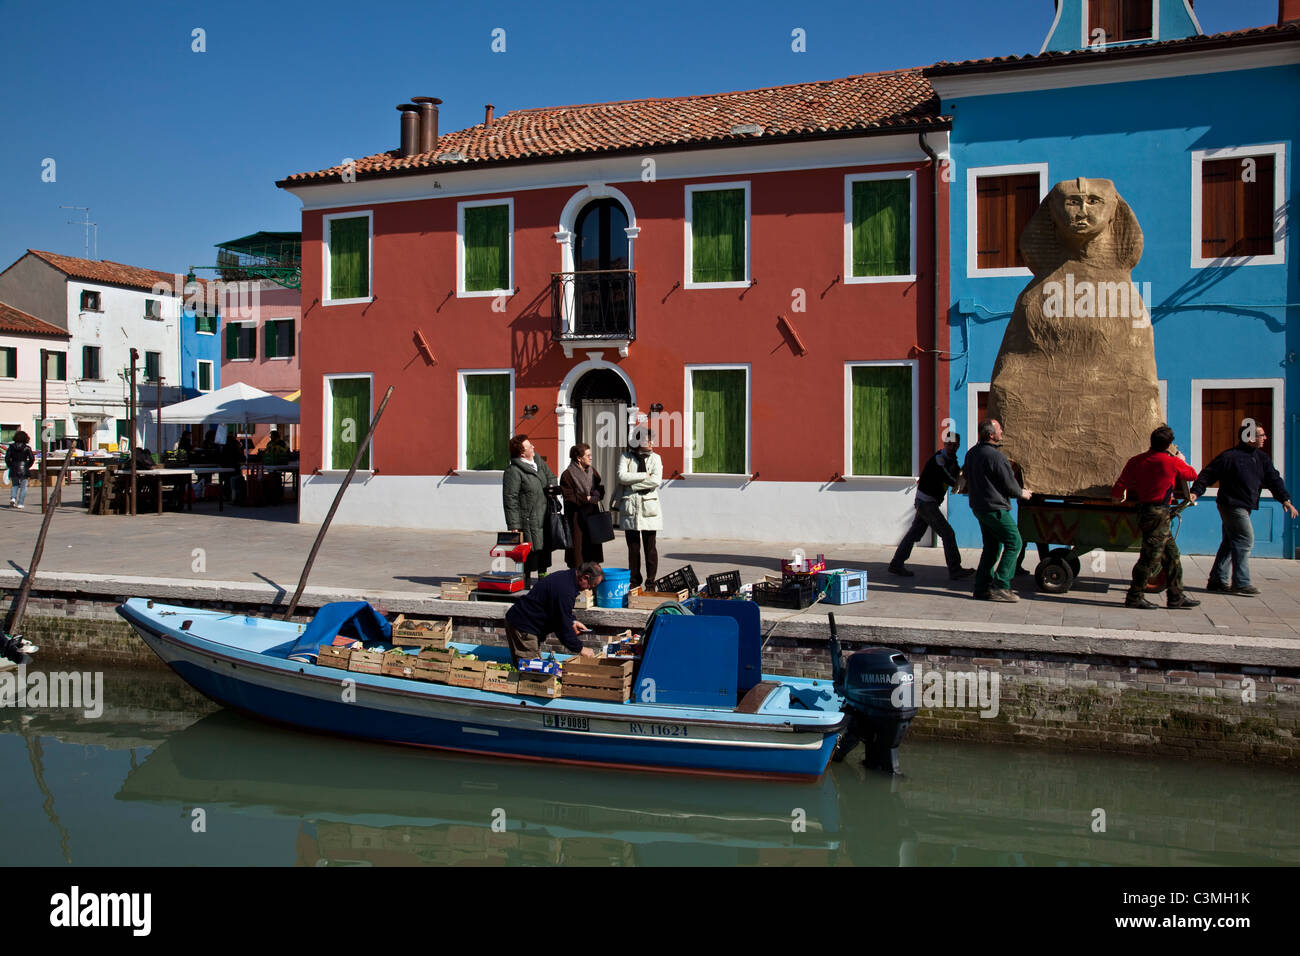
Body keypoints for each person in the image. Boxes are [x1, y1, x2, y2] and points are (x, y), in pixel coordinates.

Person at [1190, 424, 1297, 596]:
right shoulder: (1229, 457)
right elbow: (1208, 474)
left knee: (1230, 542)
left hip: (1245, 506)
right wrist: (1196, 492)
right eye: (1262, 435)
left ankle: (1217, 580)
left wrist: (1285, 499)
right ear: (1250, 438)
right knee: (1245, 539)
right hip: (1231, 505)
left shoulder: (1262, 459)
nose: (1265, 438)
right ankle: (1241, 582)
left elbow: (1273, 480)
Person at [1111, 425, 1201, 610]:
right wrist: (1180, 459)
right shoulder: (1170, 462)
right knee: (1149, 557)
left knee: (1172, 555)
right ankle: (1134, 596)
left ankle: (1176, 596)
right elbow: (1192, 474)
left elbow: (1121, 483)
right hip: (1159, 513)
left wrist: (1117, 496)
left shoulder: (1137, 460)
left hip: (1145, 510)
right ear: (1168, 445)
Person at [964, 419, 1032, 602]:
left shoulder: (971, 453)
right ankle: (1001, 585)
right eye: (999, 429)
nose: (1002, 431)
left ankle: (981, 588)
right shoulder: (997, 457)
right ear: (991, 435)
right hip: (995, 509)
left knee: (992, 547)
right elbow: (1009, 485)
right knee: (1014, 542)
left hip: (979, 508)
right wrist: (1022, 493)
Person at [889, 433, 974, 579]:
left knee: (914, 534)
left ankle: (896, 564)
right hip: (926, 503)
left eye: (955, 445)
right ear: (945, 443)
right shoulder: (940, 460)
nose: (953, 447)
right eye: (950, 444)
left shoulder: (951, 460)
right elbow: (951, 478)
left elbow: (957, 475)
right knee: (948, 533)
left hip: (927, 502)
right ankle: (955, 569)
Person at [504, 562, 603, 664]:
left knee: (534, 665)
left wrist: (572, 621)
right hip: (523, 625)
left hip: (525, 623)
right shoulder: (565, 590)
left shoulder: (568, 577)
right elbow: (561, 625)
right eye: (592, 585)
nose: (590, 589)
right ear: (585, 577)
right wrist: (580, 648)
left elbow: (560, 612)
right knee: (530, 670)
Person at [503, 434, 557, 588]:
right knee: (529, 550)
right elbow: (510, 498)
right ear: (522, 453)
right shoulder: (513, 471)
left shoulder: (538, 462)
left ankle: (543, 575)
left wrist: (551, 488)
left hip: (544, 513)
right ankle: (525, 579)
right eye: (529, 446)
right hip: (528, 516)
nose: (533, 447)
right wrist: (514, 523)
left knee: (545, 547)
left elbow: (551, 477)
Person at [614, 426, 663, 590]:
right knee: (633, 549)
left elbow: (656, 481)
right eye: (648, 440)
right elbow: (621, 476)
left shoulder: (656, 458)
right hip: (631, 508)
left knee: (650, 548)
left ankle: (651, 582)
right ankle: (635, 582)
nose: (652, 443)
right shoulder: (626, 457)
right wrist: (643, 475)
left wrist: (632, 485)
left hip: (649, 507)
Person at [560, 442, 605, 568]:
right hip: (576, 519)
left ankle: (593, 578)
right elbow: (569, 496)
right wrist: (587, 498)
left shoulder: (592, 471)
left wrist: (598, 493)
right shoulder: (567, 475)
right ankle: (577, 578)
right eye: (588, 455)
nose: (591, 457)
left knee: (593, 552)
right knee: (578, 552)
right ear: (579, 458)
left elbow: (599, 487)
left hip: (592, 516)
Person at [5, 430, 35, 509]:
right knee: (23, 486)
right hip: (24, 468)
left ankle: (13, 498)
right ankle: (20, 503)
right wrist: (27, 466)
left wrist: (10, 466)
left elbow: (7, 458)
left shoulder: (11, 447)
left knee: (14, 485)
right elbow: (32, 458)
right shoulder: (27, 448)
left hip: (14, 467)